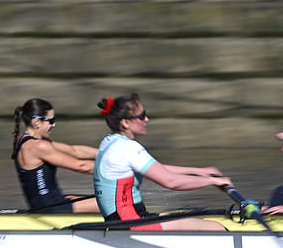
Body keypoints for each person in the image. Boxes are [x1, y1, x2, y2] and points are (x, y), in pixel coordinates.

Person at [93, 93, 233, 231]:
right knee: (215, 227)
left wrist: (199, 172)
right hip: (131, 224)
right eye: (141, 116)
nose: (147, 119)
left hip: (123, 221)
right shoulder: (128, 147)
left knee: (177, 216)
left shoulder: (110, 141)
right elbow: (171, 182)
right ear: (125, 122)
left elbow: (157, 169)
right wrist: (212, 181)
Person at [11, 98, 99, 213]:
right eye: (51, 120)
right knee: (113, 202)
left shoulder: (26, 142)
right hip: (51, 207)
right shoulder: (38, 146)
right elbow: (81, 166)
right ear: (37, 122)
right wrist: (120, 169)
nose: (54, 124)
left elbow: (75, 151)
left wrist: (106, 153)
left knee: (97, 198)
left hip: (48, 202)